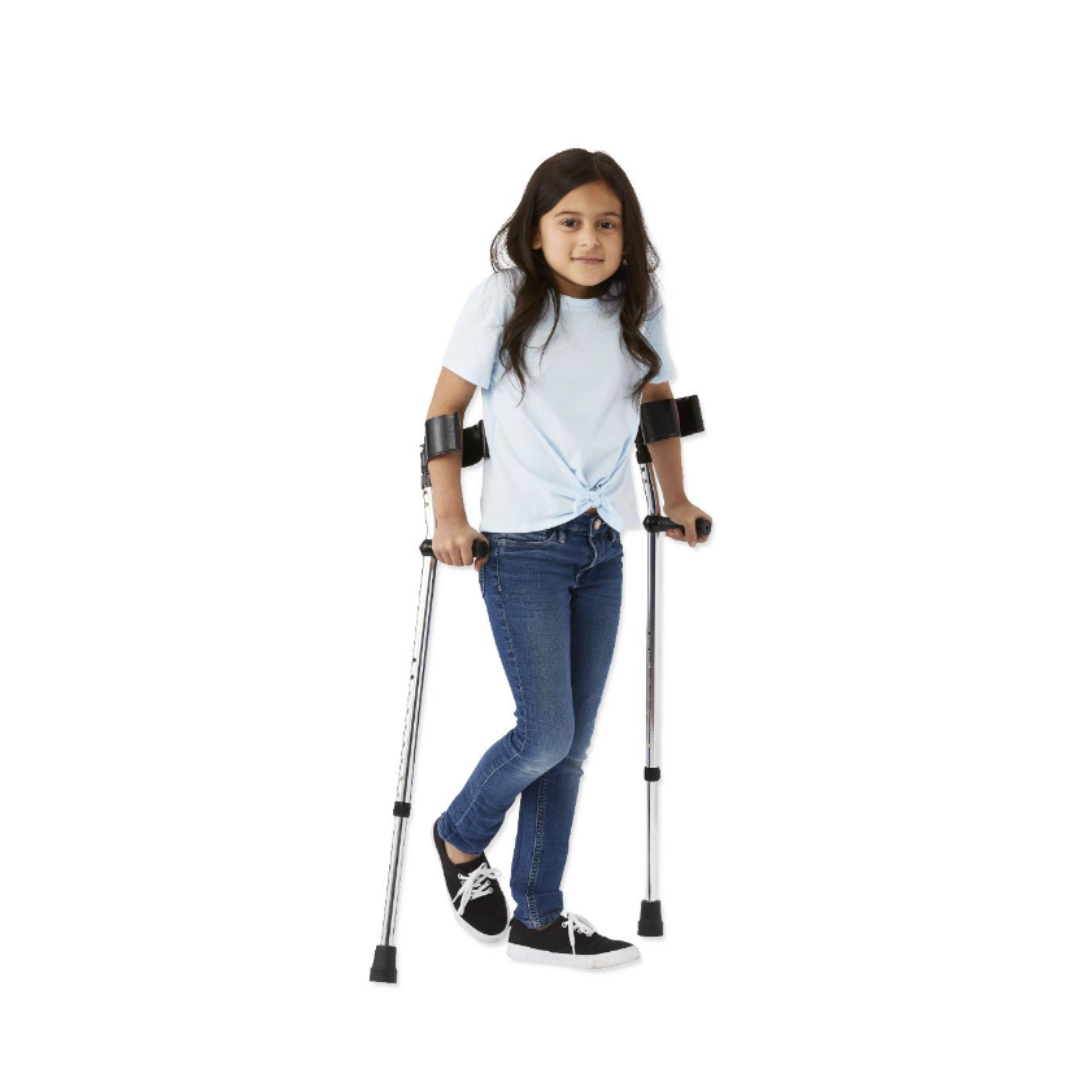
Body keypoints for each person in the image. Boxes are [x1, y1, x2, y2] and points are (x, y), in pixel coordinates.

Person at [426, 148, 711, 970]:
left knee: (573, 742)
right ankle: (459, 835)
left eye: (607, 224)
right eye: (571, 222)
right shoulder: (504, 301)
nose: (590, 239)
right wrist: (450, 514)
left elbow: (658, 405)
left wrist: (677, 500)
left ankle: (541, 917)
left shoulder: (637, 307)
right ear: (537, 232)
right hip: (520, 547)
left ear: (628, 236)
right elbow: (444, 414)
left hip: (602, 542)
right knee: (545, 732)